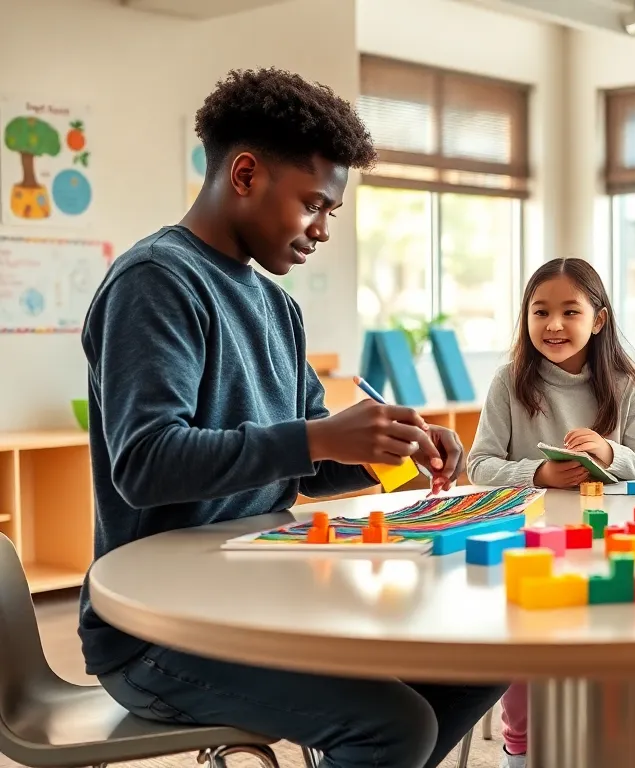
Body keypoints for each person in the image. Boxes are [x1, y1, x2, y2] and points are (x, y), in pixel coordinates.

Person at [79, 68, 504, 768]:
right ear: (245, 174)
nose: (324, 229)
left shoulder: (277, 307)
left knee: (477, 655)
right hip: (161, 634)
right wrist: (318, 435)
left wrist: (380, 447)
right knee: (393, 728)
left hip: (261, 598)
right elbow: (146, 464)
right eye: (315, 204)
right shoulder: (157, 280)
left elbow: (303, 464)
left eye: (332, 212)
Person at [466, 256, 635, 766]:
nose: (553, 325)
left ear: (598, 320)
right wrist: (538, 473)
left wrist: (607, 452)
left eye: (570, 311)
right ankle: (521, 747)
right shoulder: (509, 382)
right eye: (540, 311)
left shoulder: (622, 386)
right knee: (527, 644)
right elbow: (479, 465)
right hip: (530, 540)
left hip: (606, 538)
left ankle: (605, 740)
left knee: (613, 641)